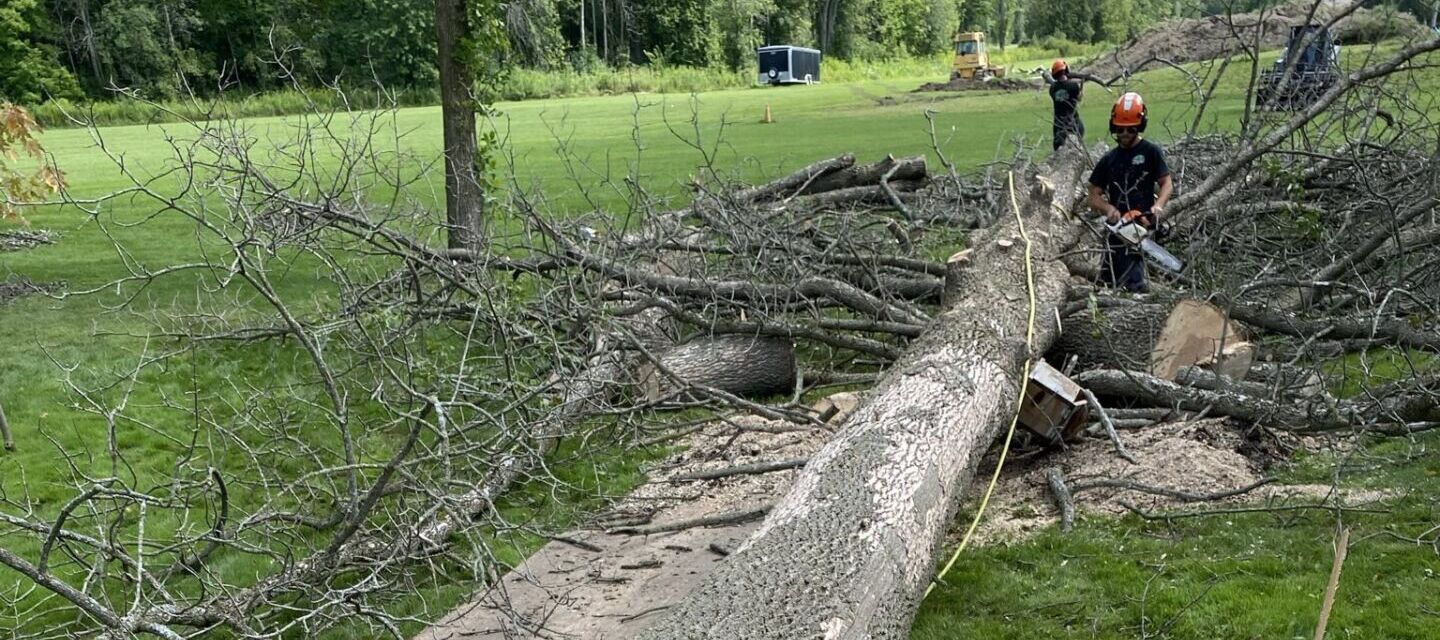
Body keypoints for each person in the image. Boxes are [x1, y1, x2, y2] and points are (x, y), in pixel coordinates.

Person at [1088, 92, 1173, 293]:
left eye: (1130, 129)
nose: (1125, 133)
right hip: (1118, 229)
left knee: (1135, 286)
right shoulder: (1110, 159)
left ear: (1140, 126)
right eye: (1120, 129)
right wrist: (1108, 209)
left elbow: (1167, 183)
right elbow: (1092, 195)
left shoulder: (1151, 152)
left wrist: (1158, 205)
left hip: (1142, 225)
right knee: (1106, 283)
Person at [1047, 59, 1085, 150]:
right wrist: (1082, 87)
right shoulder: (1074, 86)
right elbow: (1079, 98)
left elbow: (1060, 87)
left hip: (1058, 124)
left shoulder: (1052, 89)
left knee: (1058, 148)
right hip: (1073, 122)